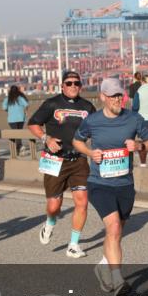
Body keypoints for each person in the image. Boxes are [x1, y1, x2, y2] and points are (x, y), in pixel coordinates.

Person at [73, 77, 148, 296]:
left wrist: (139, 145)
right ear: (102, 97)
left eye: (120, 95)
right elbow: (76, 141)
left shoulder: (134, 118)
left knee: (116, 234)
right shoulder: (92, 121)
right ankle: (119, 282)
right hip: (99, 183)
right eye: (113, 96)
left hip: (125, 184)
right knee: (114, 228)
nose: (118, 100)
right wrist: (91, 153)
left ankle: (103, 265)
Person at [27, 70, 96, 258]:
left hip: (79, 160)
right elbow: (33, 123)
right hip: (54, 159)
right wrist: (46, 138)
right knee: (53, 206)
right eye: (69, 83)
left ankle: (73, 245)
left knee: (82, 202)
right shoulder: (52, 103)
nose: (73, 86)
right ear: (62, 86)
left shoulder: (88, 106)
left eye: (77, 83)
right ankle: (50, 223)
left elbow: (96, 129)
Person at [2, 84, 29, 156]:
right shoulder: (20, 98)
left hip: (12, 119)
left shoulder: (7, 99)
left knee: (15, 133)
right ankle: (19, 147)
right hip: (21, 118)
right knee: (18, 133)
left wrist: (9, 111)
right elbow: (26, 105)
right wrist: (25, 111)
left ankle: (19, 147)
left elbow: (4, 108)